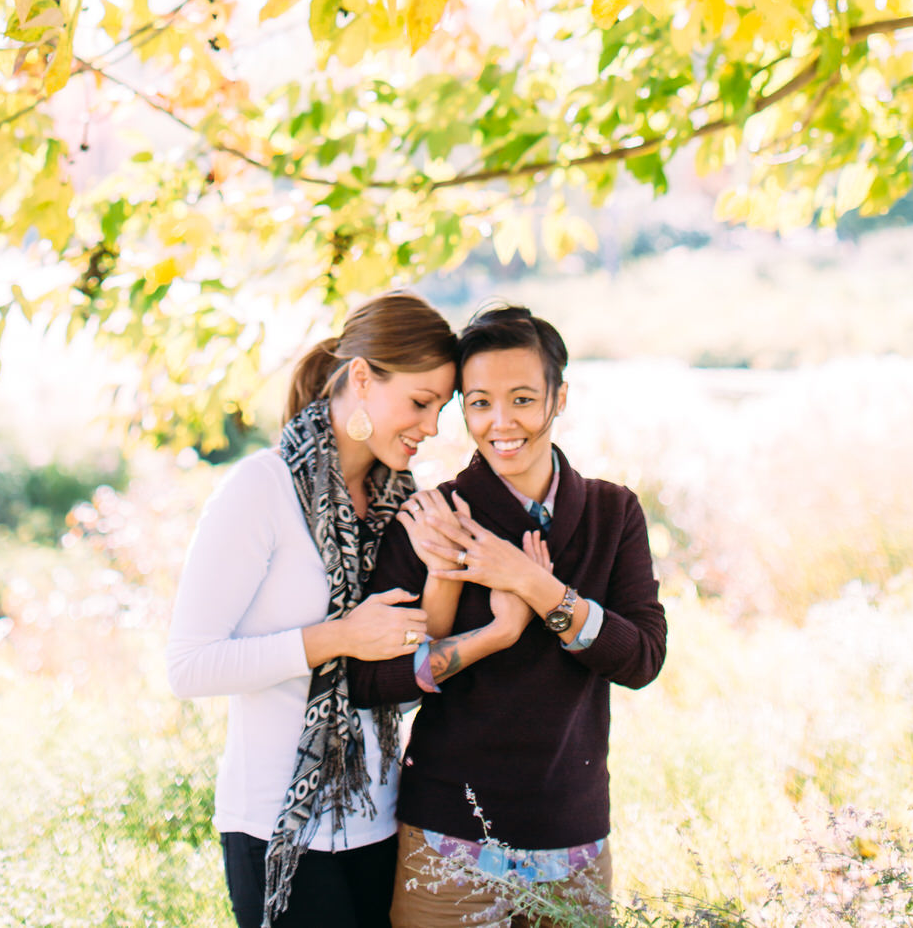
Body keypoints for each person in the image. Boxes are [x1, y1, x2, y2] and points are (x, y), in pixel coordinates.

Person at [348, 303, 667, 927]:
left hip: (573, 840)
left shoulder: (612, 512)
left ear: (559, 396)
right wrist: (487, 633)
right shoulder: (432, 518)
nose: (501, 423)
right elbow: (370, 682)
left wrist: (536, 586)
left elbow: (642, 659)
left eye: (522, 398)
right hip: (446, 843)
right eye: (478, 403)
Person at [167, 293, 477, 928]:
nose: (430, 427)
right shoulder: (261, 490)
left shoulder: (404, 506)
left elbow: (408, 670)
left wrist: (448, 576)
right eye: (419, 403)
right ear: (361, 377)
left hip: (381, 819)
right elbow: (189, 668)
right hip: (277, 826)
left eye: (441, 409)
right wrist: (337, 637)